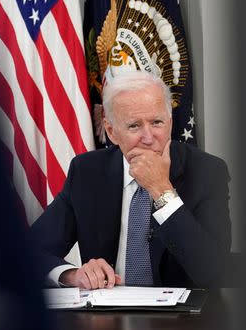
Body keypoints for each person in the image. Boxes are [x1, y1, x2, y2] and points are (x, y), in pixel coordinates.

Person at [29, 69, 231, 289]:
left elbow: (213, 271)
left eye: (156, 122)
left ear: (171, 123)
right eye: (134, 125)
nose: (148, 137)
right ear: (112, 131)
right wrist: (72, 275)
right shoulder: (87, 172)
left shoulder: (207, 171)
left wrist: (161, 190)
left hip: (180, 320)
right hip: (105, 318)